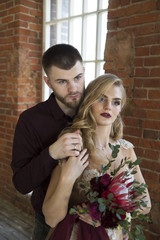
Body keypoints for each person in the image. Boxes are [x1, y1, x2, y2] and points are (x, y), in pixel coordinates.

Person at [42, 73, 151, 240]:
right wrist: (67, 177)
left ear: (120, 108)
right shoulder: (74, 147)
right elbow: (51, 219)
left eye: (116, 102)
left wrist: (112, 216)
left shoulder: (126, 150)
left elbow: (145, 203)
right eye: (101, 99)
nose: (108, 106)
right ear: (89, 102)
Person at [11, 44, 85, 240]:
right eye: (62, 81)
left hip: (95, 220)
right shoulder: (30, 120)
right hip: (48, 224)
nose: (74, 88)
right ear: (48, 81)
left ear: (84, 71)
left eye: (77, 78)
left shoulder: (97, 109)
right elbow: (21, 184)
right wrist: (52, 153)